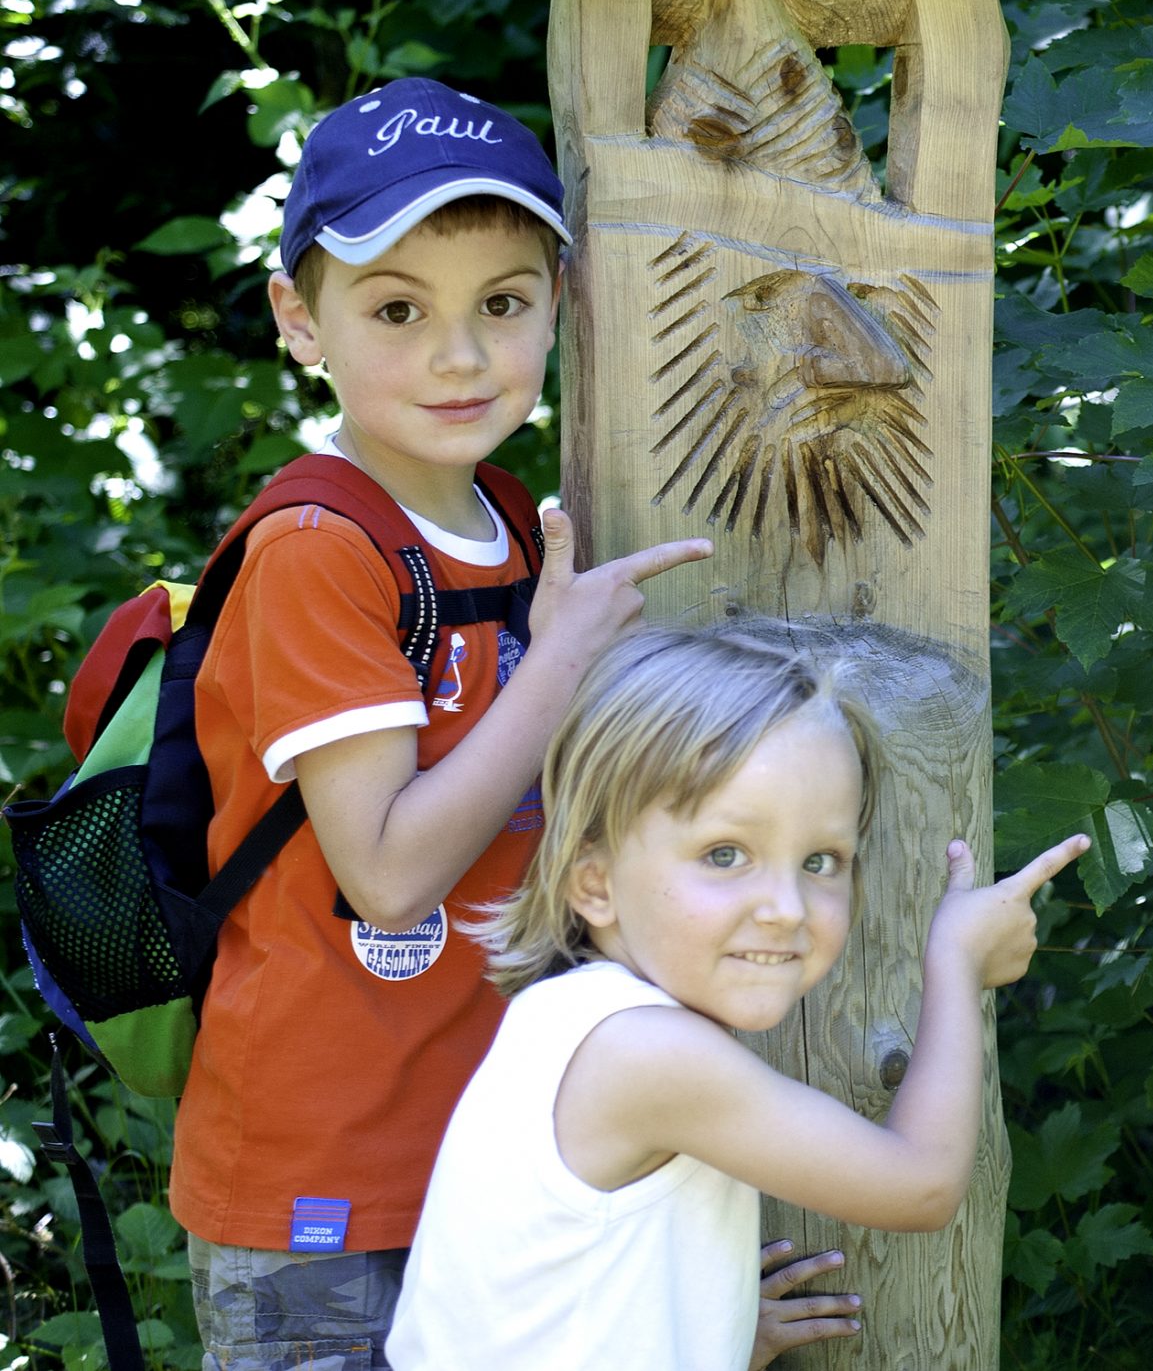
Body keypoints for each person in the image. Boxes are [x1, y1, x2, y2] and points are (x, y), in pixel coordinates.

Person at [170, 76, 855, 1370]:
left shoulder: (511, 517)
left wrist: (681, 1310)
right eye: (396, 309)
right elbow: (384, 872)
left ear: (560, 302)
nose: (459, 355)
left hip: (489, 1143)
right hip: (327, 1187)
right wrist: (565, 658)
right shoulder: (321, 549)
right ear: (296, 318)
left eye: (502, 303)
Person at [386, 626, 1091, 1371]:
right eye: (725, 854)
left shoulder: (564, 1018)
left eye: (821, 860)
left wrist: (707, 1330)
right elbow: (922, 1185)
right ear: (593, 882)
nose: (786, 906)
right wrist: (957, 961)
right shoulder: (649, 1054)